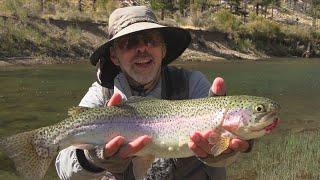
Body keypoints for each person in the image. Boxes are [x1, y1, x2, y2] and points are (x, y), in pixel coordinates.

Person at [55, 6, 253, 180]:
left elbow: (225, 155)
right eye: (129, 43)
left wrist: (224, 150)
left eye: (151, 40)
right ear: (114, 56)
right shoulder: (101, 95)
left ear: (163, 49)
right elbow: (64, 169)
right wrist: (93, 158)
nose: (142, 48)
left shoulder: (193, 83)